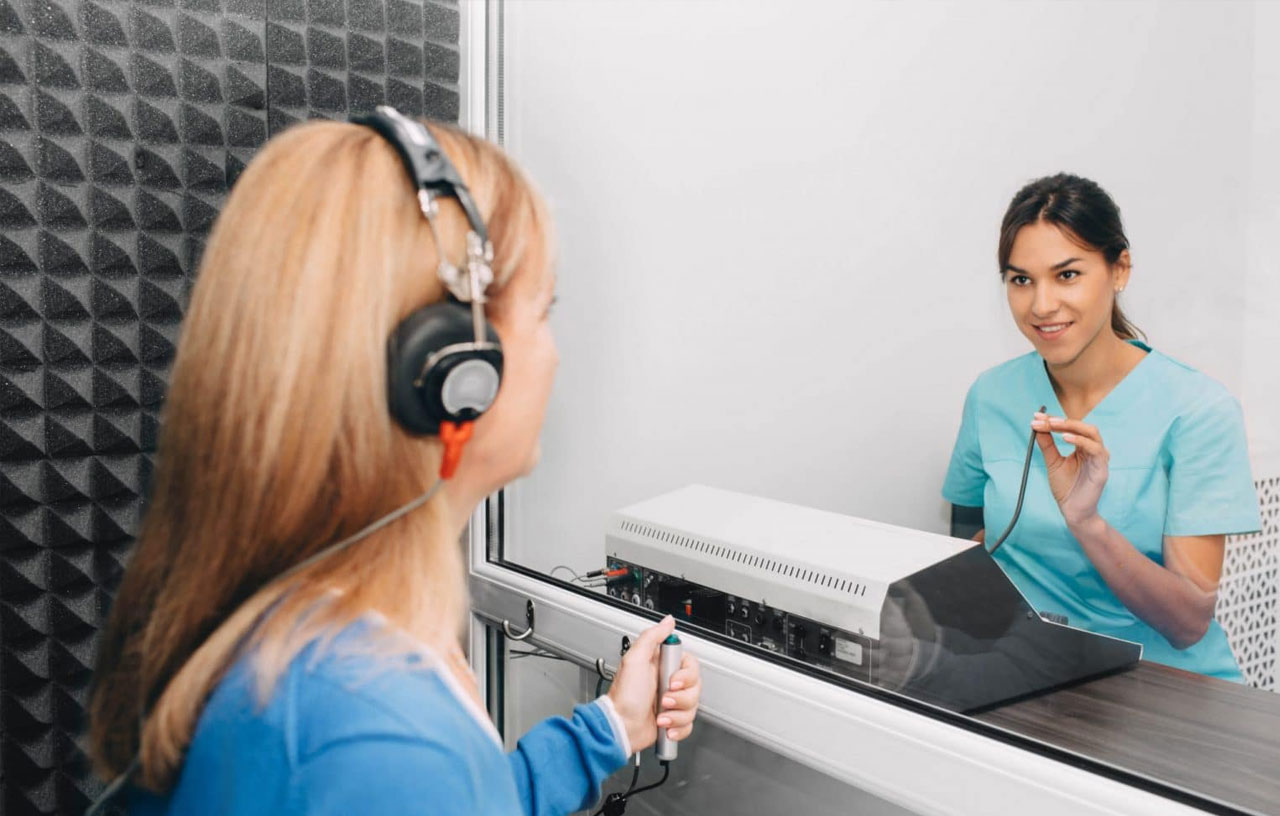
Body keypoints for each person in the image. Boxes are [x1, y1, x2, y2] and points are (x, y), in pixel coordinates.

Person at [87, 110, 701, 815]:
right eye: (544, 309)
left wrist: (610, 728)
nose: (557, 355)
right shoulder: (384, 741)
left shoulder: (321, 640)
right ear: (454, 368)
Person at [943, 173, 1261, 681]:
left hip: (1165, 689)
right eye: (1021, 280)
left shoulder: (1199, 410)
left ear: (1120, 270)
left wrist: (1087, 524)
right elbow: (964, 544)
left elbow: (1188, 624)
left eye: (1067, 275)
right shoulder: (992, 395)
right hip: (1033, 676)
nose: (1041, 305)